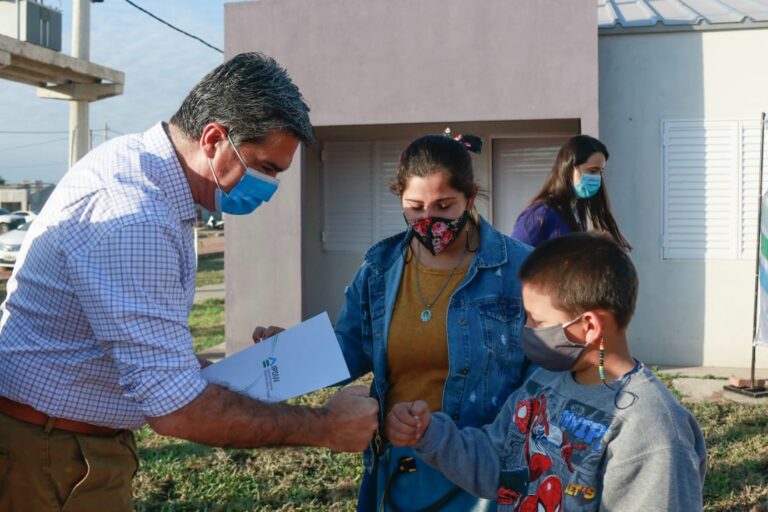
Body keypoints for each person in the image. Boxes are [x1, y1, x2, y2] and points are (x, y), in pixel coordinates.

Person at [0, 53, 378, 511]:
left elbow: (132, 342)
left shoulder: (139, 169)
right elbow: (176, 410)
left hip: (62, 444)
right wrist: (325, 427)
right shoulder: (135, 215)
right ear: (215, 138)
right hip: (53, 456)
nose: (271, 185)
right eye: (266, 167)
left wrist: (234, 371)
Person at [386, 233, 707, 511]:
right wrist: (431, 433)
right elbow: (496, 463)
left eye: (536, 321)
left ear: (589, 326)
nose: (525, 329)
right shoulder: (541, 383)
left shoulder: (650, 429)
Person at [332, 132, 532, 511]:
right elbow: (349, 348)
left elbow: (541, 374)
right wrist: (289, 352)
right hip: (397, 472)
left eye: (444, 206)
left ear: (470, 197)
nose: (429, 220)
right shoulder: (379, 270)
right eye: (415, 207)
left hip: (481, 475)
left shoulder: (519, 268)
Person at [511, 135, 631, 250]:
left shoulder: (575, 211)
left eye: (601, 172)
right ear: (568, 169)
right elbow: (515, 261)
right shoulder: (541, 215)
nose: (597, 178)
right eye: (592, 171)